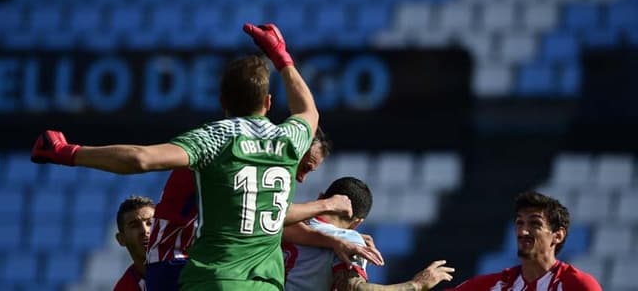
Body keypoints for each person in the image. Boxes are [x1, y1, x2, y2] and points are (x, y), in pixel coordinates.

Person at [31, 23, 319, 290]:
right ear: (268, 102)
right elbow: (308, 111)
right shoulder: (291, 138)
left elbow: (140, 159)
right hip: (266, 284)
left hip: (212, 281)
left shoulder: (214, 138)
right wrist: (282, 58)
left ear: (222, 102)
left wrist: (68, 152)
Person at [145, 127, 384, 291]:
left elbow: (276, 226)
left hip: (182, 262)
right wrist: (328, 208)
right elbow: (268, 219)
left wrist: (334, 239)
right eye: (305, 166)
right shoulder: (246, 161)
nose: (301, 178)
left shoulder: (254, 160)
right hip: (179, 261)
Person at [284, 177, 455, 291]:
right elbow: (354, 288)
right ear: (358, 222)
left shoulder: (284, 223)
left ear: (321, 197)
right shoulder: (348, 239)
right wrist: (416, 285)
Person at [446, 191, 602, 291]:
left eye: (535, 224)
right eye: (520, 223)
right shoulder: (498, 285)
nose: (523, 231)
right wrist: (420, 285)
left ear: (558, 235)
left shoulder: (577, 285)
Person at [114, 196, 155, 291]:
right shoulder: (124, 288)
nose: (145, 230)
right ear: (121, 239)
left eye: (150, 223)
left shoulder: (185, 268)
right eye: (135, 225)